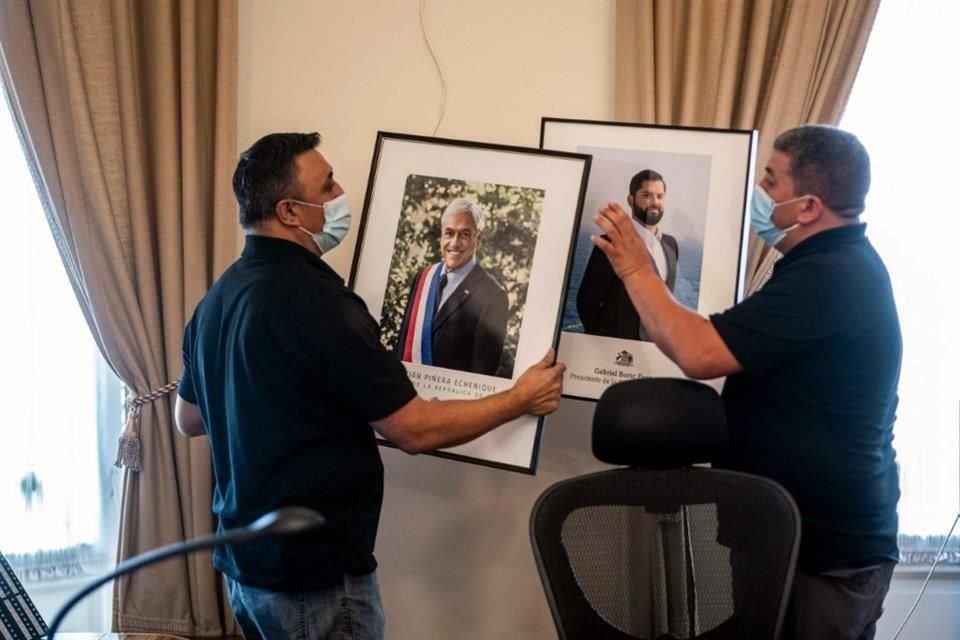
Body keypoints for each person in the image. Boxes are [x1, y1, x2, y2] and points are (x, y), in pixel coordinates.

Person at [174, 132, 565, 640]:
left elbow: (188, 418)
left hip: (244, 569)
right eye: (328, 184)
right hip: (313, 581)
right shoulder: (321, 304)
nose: (341, 194)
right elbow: (413, 430)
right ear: (291, 211)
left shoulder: (219, 297)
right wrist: (519, 398)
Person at [590, 125, 900, 640]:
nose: (759, 191)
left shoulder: (832, 275)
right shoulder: (821, 266)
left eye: (771, 181)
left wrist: (634, 268)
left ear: (807, 207)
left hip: (825, 552)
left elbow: (699, 351)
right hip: (785, 533)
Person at [394, 197, 510, 377]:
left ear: (477, 238)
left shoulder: (493, 296)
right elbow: (403, 344)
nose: (454, 243)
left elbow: (482, 377)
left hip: (451, 403)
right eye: (449, 233)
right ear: (441, 236)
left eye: (464, 234)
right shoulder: (423, 278)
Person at [577, 169, 678, 341]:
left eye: (660, 196)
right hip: (616, 354)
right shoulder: (610, 243)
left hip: (656, 350)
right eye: (647, 195)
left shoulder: (671, 245)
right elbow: (586, 302)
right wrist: (605, 341)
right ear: (631, 200)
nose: (655, 202)